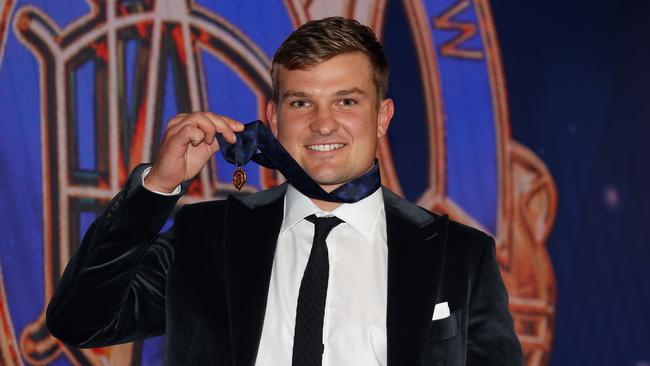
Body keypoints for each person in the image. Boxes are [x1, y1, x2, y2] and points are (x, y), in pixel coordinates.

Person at [46, 17, 523, 366]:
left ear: (382, 117)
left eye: (347, 101)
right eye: (301, 102)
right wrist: (157, 188)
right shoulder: (206, 238)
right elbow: (79, 320)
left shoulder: (460, 255)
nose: (323, 124)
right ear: (274, 119)